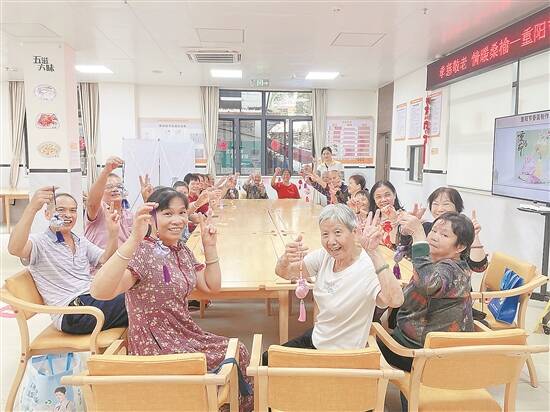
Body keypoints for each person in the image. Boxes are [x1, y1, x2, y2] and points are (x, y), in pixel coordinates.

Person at [89, 188, 253, 411]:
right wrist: (134, 239)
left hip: (184, 334)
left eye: (182, 213)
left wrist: (210, 247)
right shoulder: (142, 251)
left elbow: (211, 286)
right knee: (229, 357)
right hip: (156, 345)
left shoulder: (181, 250)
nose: (177, 220)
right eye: (168, 213)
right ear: (152, 218)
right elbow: (99, 292)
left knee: (238, 351)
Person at [264, 204, 404, 364]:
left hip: (341, 356)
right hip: (319, 338)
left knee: (274, 364)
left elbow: (396, 300)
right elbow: (285, 272)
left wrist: (374, 252)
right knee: (268, 358)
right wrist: (284, 259)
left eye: (338, 232)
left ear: (354, 232)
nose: (331, 241)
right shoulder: (324, 256)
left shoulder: (368, 266)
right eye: (325, 234)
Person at [7, 187, 128, 334]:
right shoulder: (39, 242)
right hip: (72, 311)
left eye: (73, 210)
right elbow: (15, 249)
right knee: (136, 300)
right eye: (61, 210)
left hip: (92, 299)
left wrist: (113, 234)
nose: (68, 215)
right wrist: (31, 209)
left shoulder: (80, 241)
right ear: (47, 214)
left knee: (138, 293)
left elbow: (106, 260)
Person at [376, 211, 475, 372]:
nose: (435, 237)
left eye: (444, 235)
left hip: (421, 354)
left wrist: (419, 236)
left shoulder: (454, 271)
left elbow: (428, 284)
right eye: (434, 231)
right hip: (418, 343)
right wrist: (409, 233)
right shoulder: (437, 262)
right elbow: (416, 260)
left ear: (460, 247)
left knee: (364, 345)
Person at [424, 187, 487, 272]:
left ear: (457, 208)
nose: (440, 209)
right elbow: (409, 254)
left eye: (446, 204)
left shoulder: (461, 232)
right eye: (435, 204)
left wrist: (474, 236)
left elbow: (479, 267)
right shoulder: (426, 227)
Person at [85, 156, 133, 249]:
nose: (115, 189)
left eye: (119, 186)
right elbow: (92, 203)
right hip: (101, 258)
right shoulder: (99, 210)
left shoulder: (129, 215)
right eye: (109, 187)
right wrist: (106, 171)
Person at [368, 180, 405, 248]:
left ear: (394, 195)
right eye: (378, 197)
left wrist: (394, 220)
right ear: (374, 199)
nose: (383, 200)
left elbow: (397, 243)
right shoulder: (374, 218)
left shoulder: (403, 216)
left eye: (387, 195)